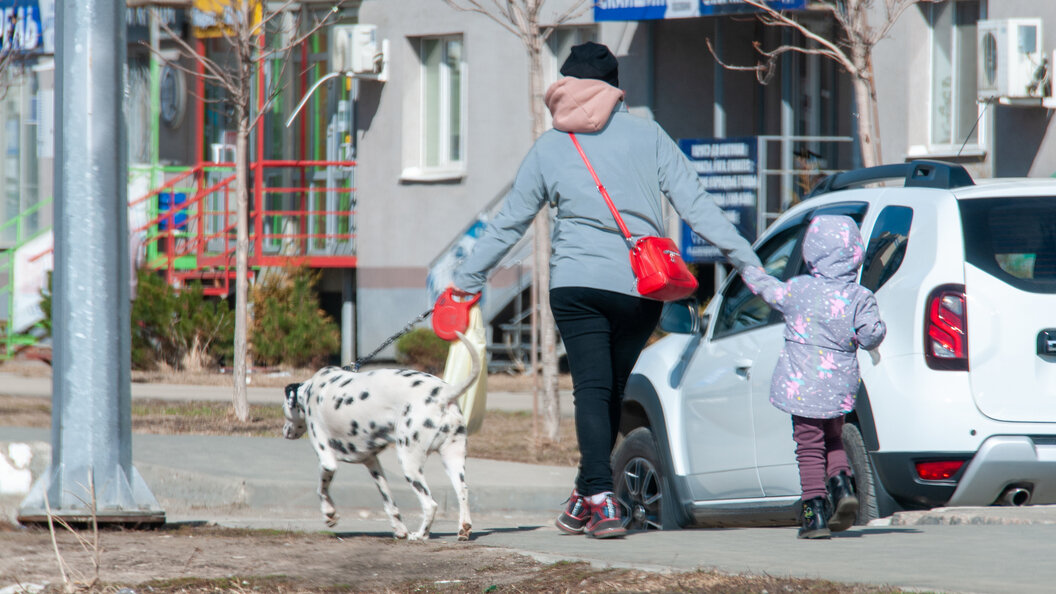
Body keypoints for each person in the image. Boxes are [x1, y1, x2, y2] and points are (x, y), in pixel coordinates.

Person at [450, 41, 761, 539]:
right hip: (641, 289)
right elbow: (697, 206)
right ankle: (589, 491)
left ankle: (596, 495)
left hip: (576, 286)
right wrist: (750, 262)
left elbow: (509, 225)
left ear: (565, 87)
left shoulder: (550, 146)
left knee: (596, 390)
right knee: (607, 390)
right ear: (617, 91)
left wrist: (464, 285)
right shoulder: (649, 135)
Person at [738, 214, 886, 539]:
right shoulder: (860, 296)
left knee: (808, 446)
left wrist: (746, 266)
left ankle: (814, 512)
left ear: (812, 252)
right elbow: (871, 336)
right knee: (833, 437)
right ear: (855, 253)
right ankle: (842, 484)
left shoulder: (799, 290)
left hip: (803, 387)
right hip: (838, 388)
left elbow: (768, 290)